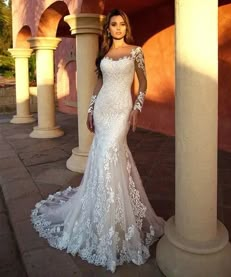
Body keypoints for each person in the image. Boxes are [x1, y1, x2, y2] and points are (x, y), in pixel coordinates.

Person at [31, 8, 165, 273]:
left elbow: (144, 82)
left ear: (126, 27)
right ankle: (101, 213)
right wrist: (91, 109)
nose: (117, 28)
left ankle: (114, 221)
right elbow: (98, 83)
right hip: (103, 109)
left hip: (121, 109)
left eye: (121, 24)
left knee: (110, 154)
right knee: (102, 156)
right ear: (109, 28)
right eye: (113, 24)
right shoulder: (104, 54)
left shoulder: (136, 51)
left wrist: (137, 108)